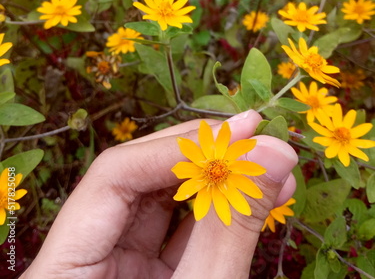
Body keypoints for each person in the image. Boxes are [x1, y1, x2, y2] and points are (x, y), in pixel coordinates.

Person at [20, 110, 298, 279]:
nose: (215, 171)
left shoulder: (235, 168)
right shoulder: (200, 174)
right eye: (215, 169)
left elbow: (244, 186)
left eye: (217, 170)